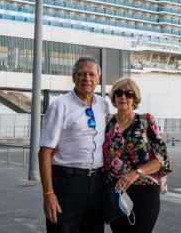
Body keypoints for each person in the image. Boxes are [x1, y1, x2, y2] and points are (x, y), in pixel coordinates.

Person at [39, 57, 110, 233]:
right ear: (74, 77)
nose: (87, 79)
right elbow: (45, 152)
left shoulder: (103, 105)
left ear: (98, 78)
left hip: (96, 182)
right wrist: (48, 194)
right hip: (67, 182)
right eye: (82, 74)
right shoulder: (60, 105)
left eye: (91, 74)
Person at [103, 77, 171, 233]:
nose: (123, 97)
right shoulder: (107, 123)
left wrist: (136, 173)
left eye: (129, 94)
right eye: (119, 93)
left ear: (135, 99)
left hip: (145, 193)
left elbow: (162, 158)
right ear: (113, 98)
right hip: (117, 192)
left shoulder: (145, 121)